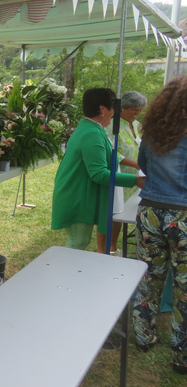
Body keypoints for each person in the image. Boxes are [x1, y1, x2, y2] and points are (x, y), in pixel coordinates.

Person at [131, 76, 187, 374]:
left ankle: (143, 335)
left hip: (150, 212)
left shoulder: (154, 133)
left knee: (149, 277)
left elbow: (144, 166)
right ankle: (182, 356)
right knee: (186, 288)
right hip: (184, 217)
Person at [51, 88, 145, 251]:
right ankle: (67, 274)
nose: (115, 112)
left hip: (79, 193)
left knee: (80, 242)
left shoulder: (92, 128)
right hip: (77, 196)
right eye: (113, 107)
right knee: (78, 242)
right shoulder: (91, 133)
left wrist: (136, 164)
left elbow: (110, 154)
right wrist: (136, 180)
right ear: (103, 109)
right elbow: (99, 174)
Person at [104, 91, 147, 255]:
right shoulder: (112, 125)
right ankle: (112, 247)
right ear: (123, 107)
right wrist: (136, 164)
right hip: (122, 174)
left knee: (130, 210)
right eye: (134, 109)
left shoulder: (136, 125)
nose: (137, 113)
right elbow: (113, 152)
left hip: (137, 175)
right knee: (117, 211)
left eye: (140, 110)